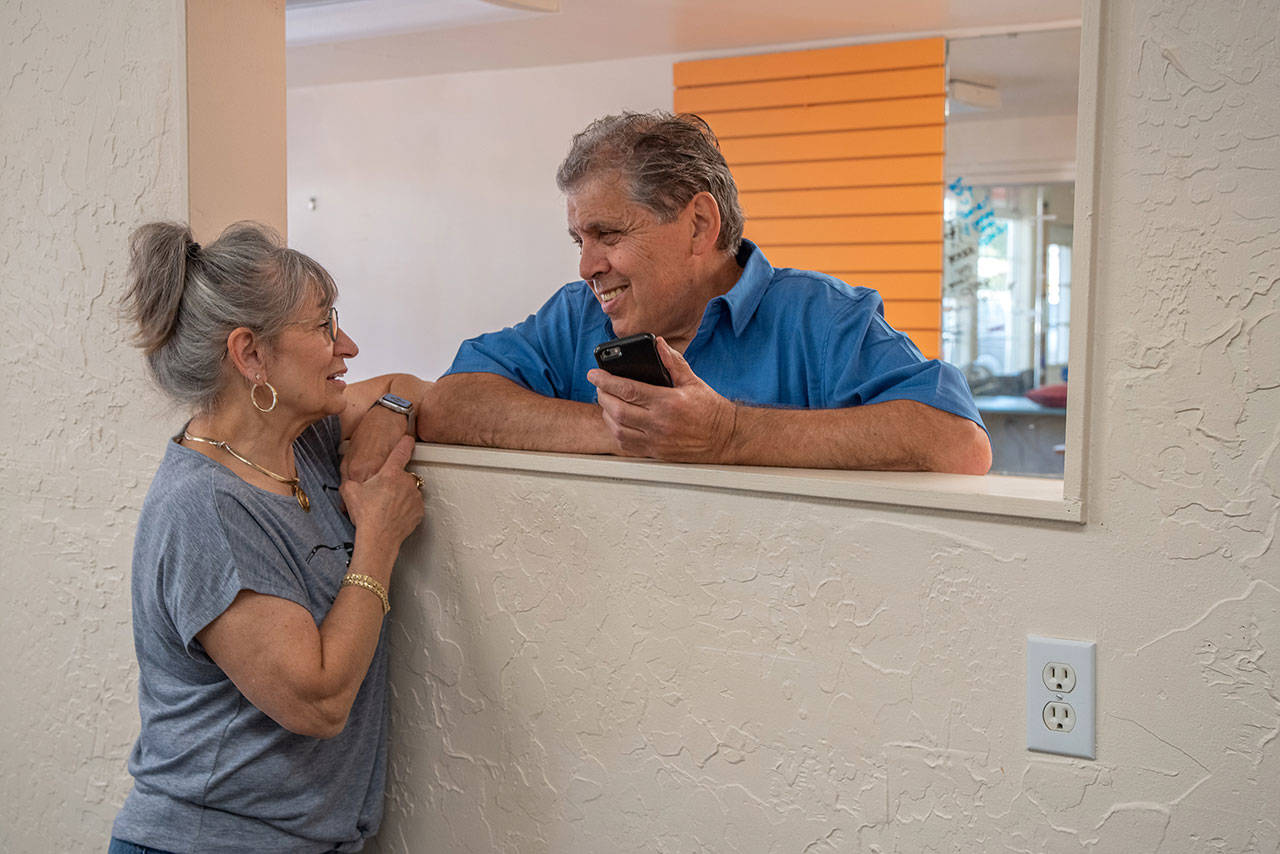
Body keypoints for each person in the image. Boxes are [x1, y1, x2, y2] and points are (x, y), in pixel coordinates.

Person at [351, 111, 990, 475]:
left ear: (699, 226)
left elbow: (958, 444)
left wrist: (729, 435)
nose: (587, 266)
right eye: (578, 238)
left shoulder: (820, 318)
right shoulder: (579, 315)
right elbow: (454, 404)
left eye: (607, 234)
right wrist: (631, 432)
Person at [110, 221, 430, 853]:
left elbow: (407, 389)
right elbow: (317, 701)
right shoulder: (204, 507)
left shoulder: (302, 443)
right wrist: (379, 541)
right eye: (323, 327)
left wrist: (385, 419)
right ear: (250, 355)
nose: (350, 346)